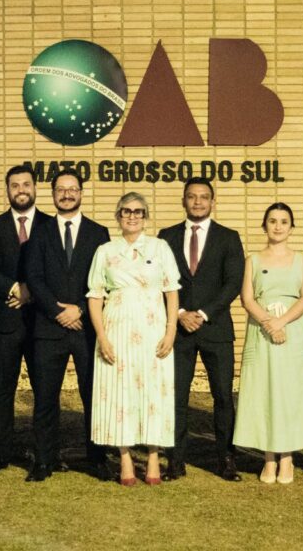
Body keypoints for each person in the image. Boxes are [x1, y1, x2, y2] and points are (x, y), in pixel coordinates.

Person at [24, 168, 111, 482]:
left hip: (87, 330)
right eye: (61, 189)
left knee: (93, 397)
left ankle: (97, 459)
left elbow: (104, 281)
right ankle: (44, 461)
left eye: (72, 189)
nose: (67, 194)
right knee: (46, 398)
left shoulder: (99, 233)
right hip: (49, 328)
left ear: (81, 192)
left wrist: (82, 313)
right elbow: (33, 276)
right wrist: (57, 311)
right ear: (53, 194)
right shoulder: (40, 231)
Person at [87, 192, 180, 486]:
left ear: (145, 216)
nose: (132, 216)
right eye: (126, 211)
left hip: (154, 329)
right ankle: (125, 457)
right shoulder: (105, 250)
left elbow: (172, 291)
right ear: (118, 216)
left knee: (155, 391)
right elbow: (95, 295)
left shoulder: (160, 247)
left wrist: (171, 331)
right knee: (120, 391)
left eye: (138, 211)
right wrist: (102, 336)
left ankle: (153, 456)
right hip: (117, 328)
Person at [157, 177, 245, 482]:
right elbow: (159, 279)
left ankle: (226, 459)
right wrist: (180, 313)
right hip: (178, 329)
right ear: (183, 200)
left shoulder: (229, 237)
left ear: (212, 201)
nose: (197, 202)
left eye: (203, 197)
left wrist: (203, 314)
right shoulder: (165, 236)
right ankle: (175, 461)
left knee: (222, 396)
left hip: (216, 329)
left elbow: (232, 283)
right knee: (176, 396)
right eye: (192, 197)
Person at [233, 203, 303, 484]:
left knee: (289, 394)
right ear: (264, 226)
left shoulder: (302, 261)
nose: (278, 226)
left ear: (291, 227)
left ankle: (287, 458)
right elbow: (247, 298)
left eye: (284, 221)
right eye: (272, 220)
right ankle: (269, 458)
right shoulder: (253, 261)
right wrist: (268, 322)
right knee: (265, 392)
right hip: (261, 334)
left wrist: (282, 323)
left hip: (292, 334)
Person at [0, 165, 53, 473]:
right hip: (2, 322)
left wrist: (31, 291)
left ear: (35, 188)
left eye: (26, 184)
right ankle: (0, 453)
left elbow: (55, 270)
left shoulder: (50, 225)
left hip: (40, 323)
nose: (21, 190)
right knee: (3, 389)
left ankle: (46, 454)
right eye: (15, 185)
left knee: (44, 391)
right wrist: (14, 287)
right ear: (7, 190)